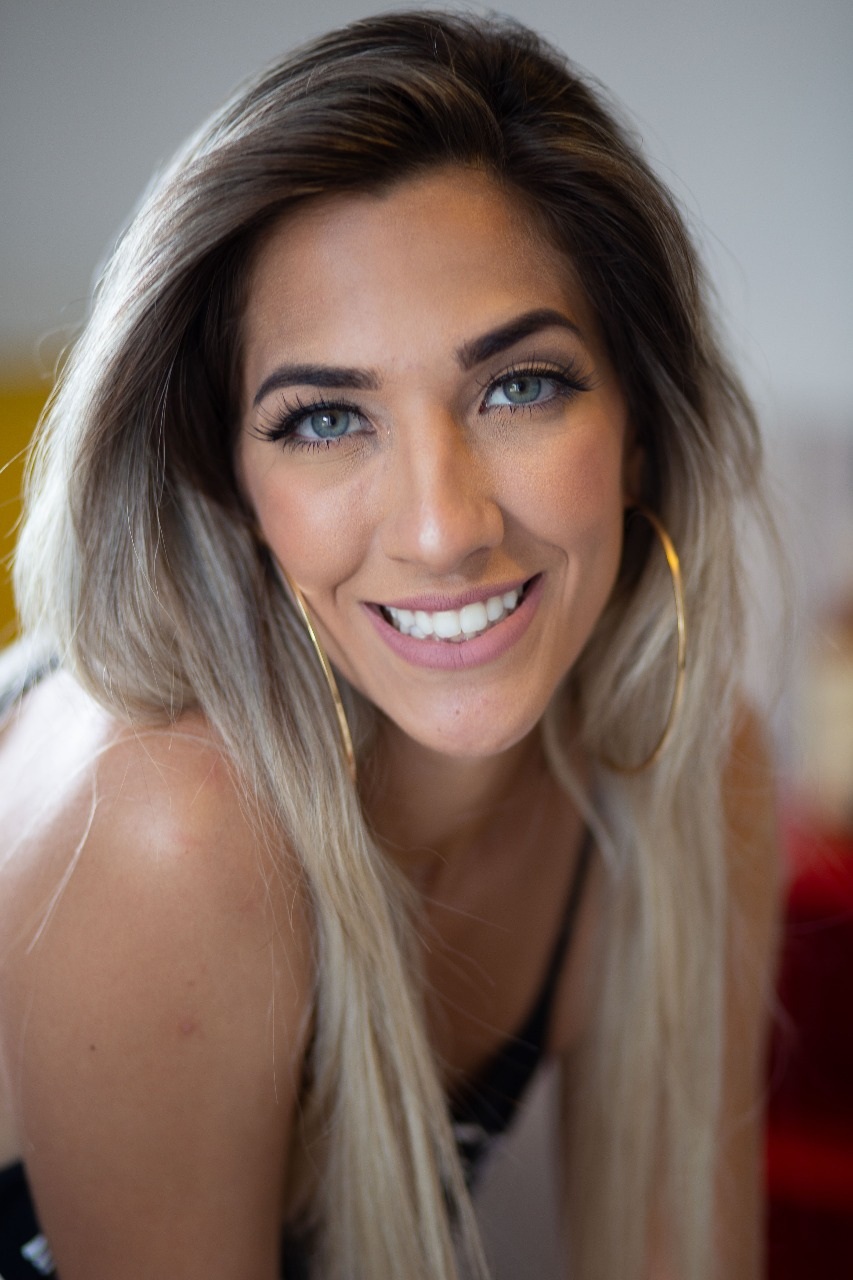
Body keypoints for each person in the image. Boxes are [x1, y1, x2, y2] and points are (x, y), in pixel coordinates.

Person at [0, 10, 780, 1280]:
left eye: (518, 386)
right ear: (227, 483)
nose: (441, 529)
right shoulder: (169, 824)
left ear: (640, 427)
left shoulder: (687, 769)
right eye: (324, 418)